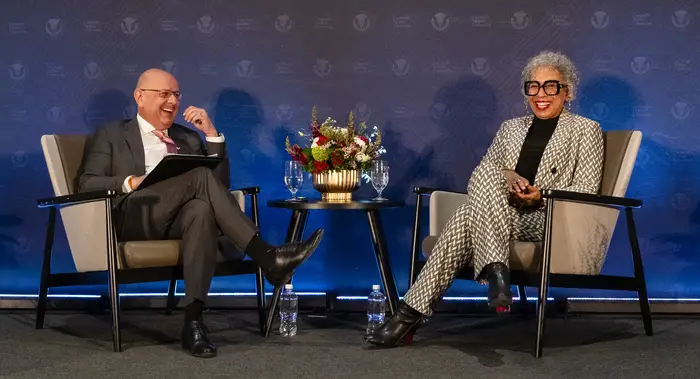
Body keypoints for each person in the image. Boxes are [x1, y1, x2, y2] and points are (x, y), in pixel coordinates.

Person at [78, 68, 324, 358]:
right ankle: (268, 257)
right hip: (135, 215)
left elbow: (219, 188)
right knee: (198, 176)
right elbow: (86, 183)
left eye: (176, 95)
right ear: (140, 97)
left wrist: (210, 134)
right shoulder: (111, 134)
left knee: (201, 210)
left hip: (179, 218)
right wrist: (131, 182)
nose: (172, 101)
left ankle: (193, 322)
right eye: (164, 94)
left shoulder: (188, 137)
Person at [367, 51, 604, 347]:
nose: (540, 94)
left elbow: (587, 191)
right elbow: (483, 177)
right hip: (502, 214)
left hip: (550, 217)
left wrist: (539, 194)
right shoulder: (510, 128)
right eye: (533, 86)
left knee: (466, 217)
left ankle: (407, 316)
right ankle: (496, 271)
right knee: (488, 170)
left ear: (567, 92)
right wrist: (508, 177)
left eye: (550, 86)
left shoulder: (585, 130)